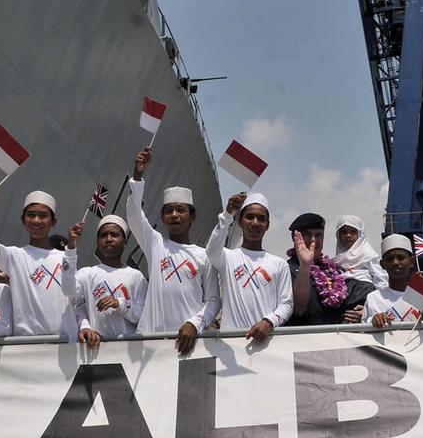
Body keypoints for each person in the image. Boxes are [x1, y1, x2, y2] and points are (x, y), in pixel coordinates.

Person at [125, 147, 218, 354]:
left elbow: (213, 300)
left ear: (192, 216)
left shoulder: (204, 256)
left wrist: (194, 324)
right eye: (169, 211)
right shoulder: (156, 244)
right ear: (162, 218)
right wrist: (138, 177)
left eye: (180, 210)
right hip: (151, 344)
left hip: (188, 344)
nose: (174, 215)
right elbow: (134, 216)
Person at [0, 185, 83, 339]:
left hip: (65, 345)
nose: (36, 220)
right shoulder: (16, 256)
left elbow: (72, 292)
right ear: (23, 220)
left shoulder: (64, 258)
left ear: (53, 221)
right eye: (31, 215)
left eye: (43, 215)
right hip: (27, 346)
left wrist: (71, 249)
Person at [206, 192, 293, 340]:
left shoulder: (280, 264)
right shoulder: (227, 257)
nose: (255, 223)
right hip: (230, 344)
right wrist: (227, 215)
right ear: (240, 222)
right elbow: (211, 250)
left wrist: (268, 322)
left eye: (261, 219)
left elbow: (286, 304)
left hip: (266, 344)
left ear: (268, 225)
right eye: (249, 217)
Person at [287, 213, 374, 326]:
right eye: (307, 235)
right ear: (295, 238)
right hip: (306, 339)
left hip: (338, 339)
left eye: (318, 235)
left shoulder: (334, 269)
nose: (313, 240)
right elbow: (299, 309)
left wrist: (365, 313)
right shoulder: (287, 269)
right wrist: (305, 265)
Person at [73, 215, 146, 347]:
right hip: (94, 349)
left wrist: (120, 304)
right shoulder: (86, 274)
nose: (109, 239)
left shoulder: (136, 276)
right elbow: (74, 302)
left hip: (127, 351)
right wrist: (85, 326)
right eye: (103, 235)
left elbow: (143, 316)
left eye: (114, 235)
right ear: (97, 242)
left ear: (125, 241)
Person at [361, 235, 423, 327]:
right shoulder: (373, 298)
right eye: (390, 259)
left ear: (412, 261)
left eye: (401, 258)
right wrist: (374, 321)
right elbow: (364, 331)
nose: (395, 263)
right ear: (382, 264)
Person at [332, 215, 386, 287]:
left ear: (359, 234)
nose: (348, 235)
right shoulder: (336, 260)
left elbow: (380, 278)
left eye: (353, 232)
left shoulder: (367, 254)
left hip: (363, 292)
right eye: (344, 232)